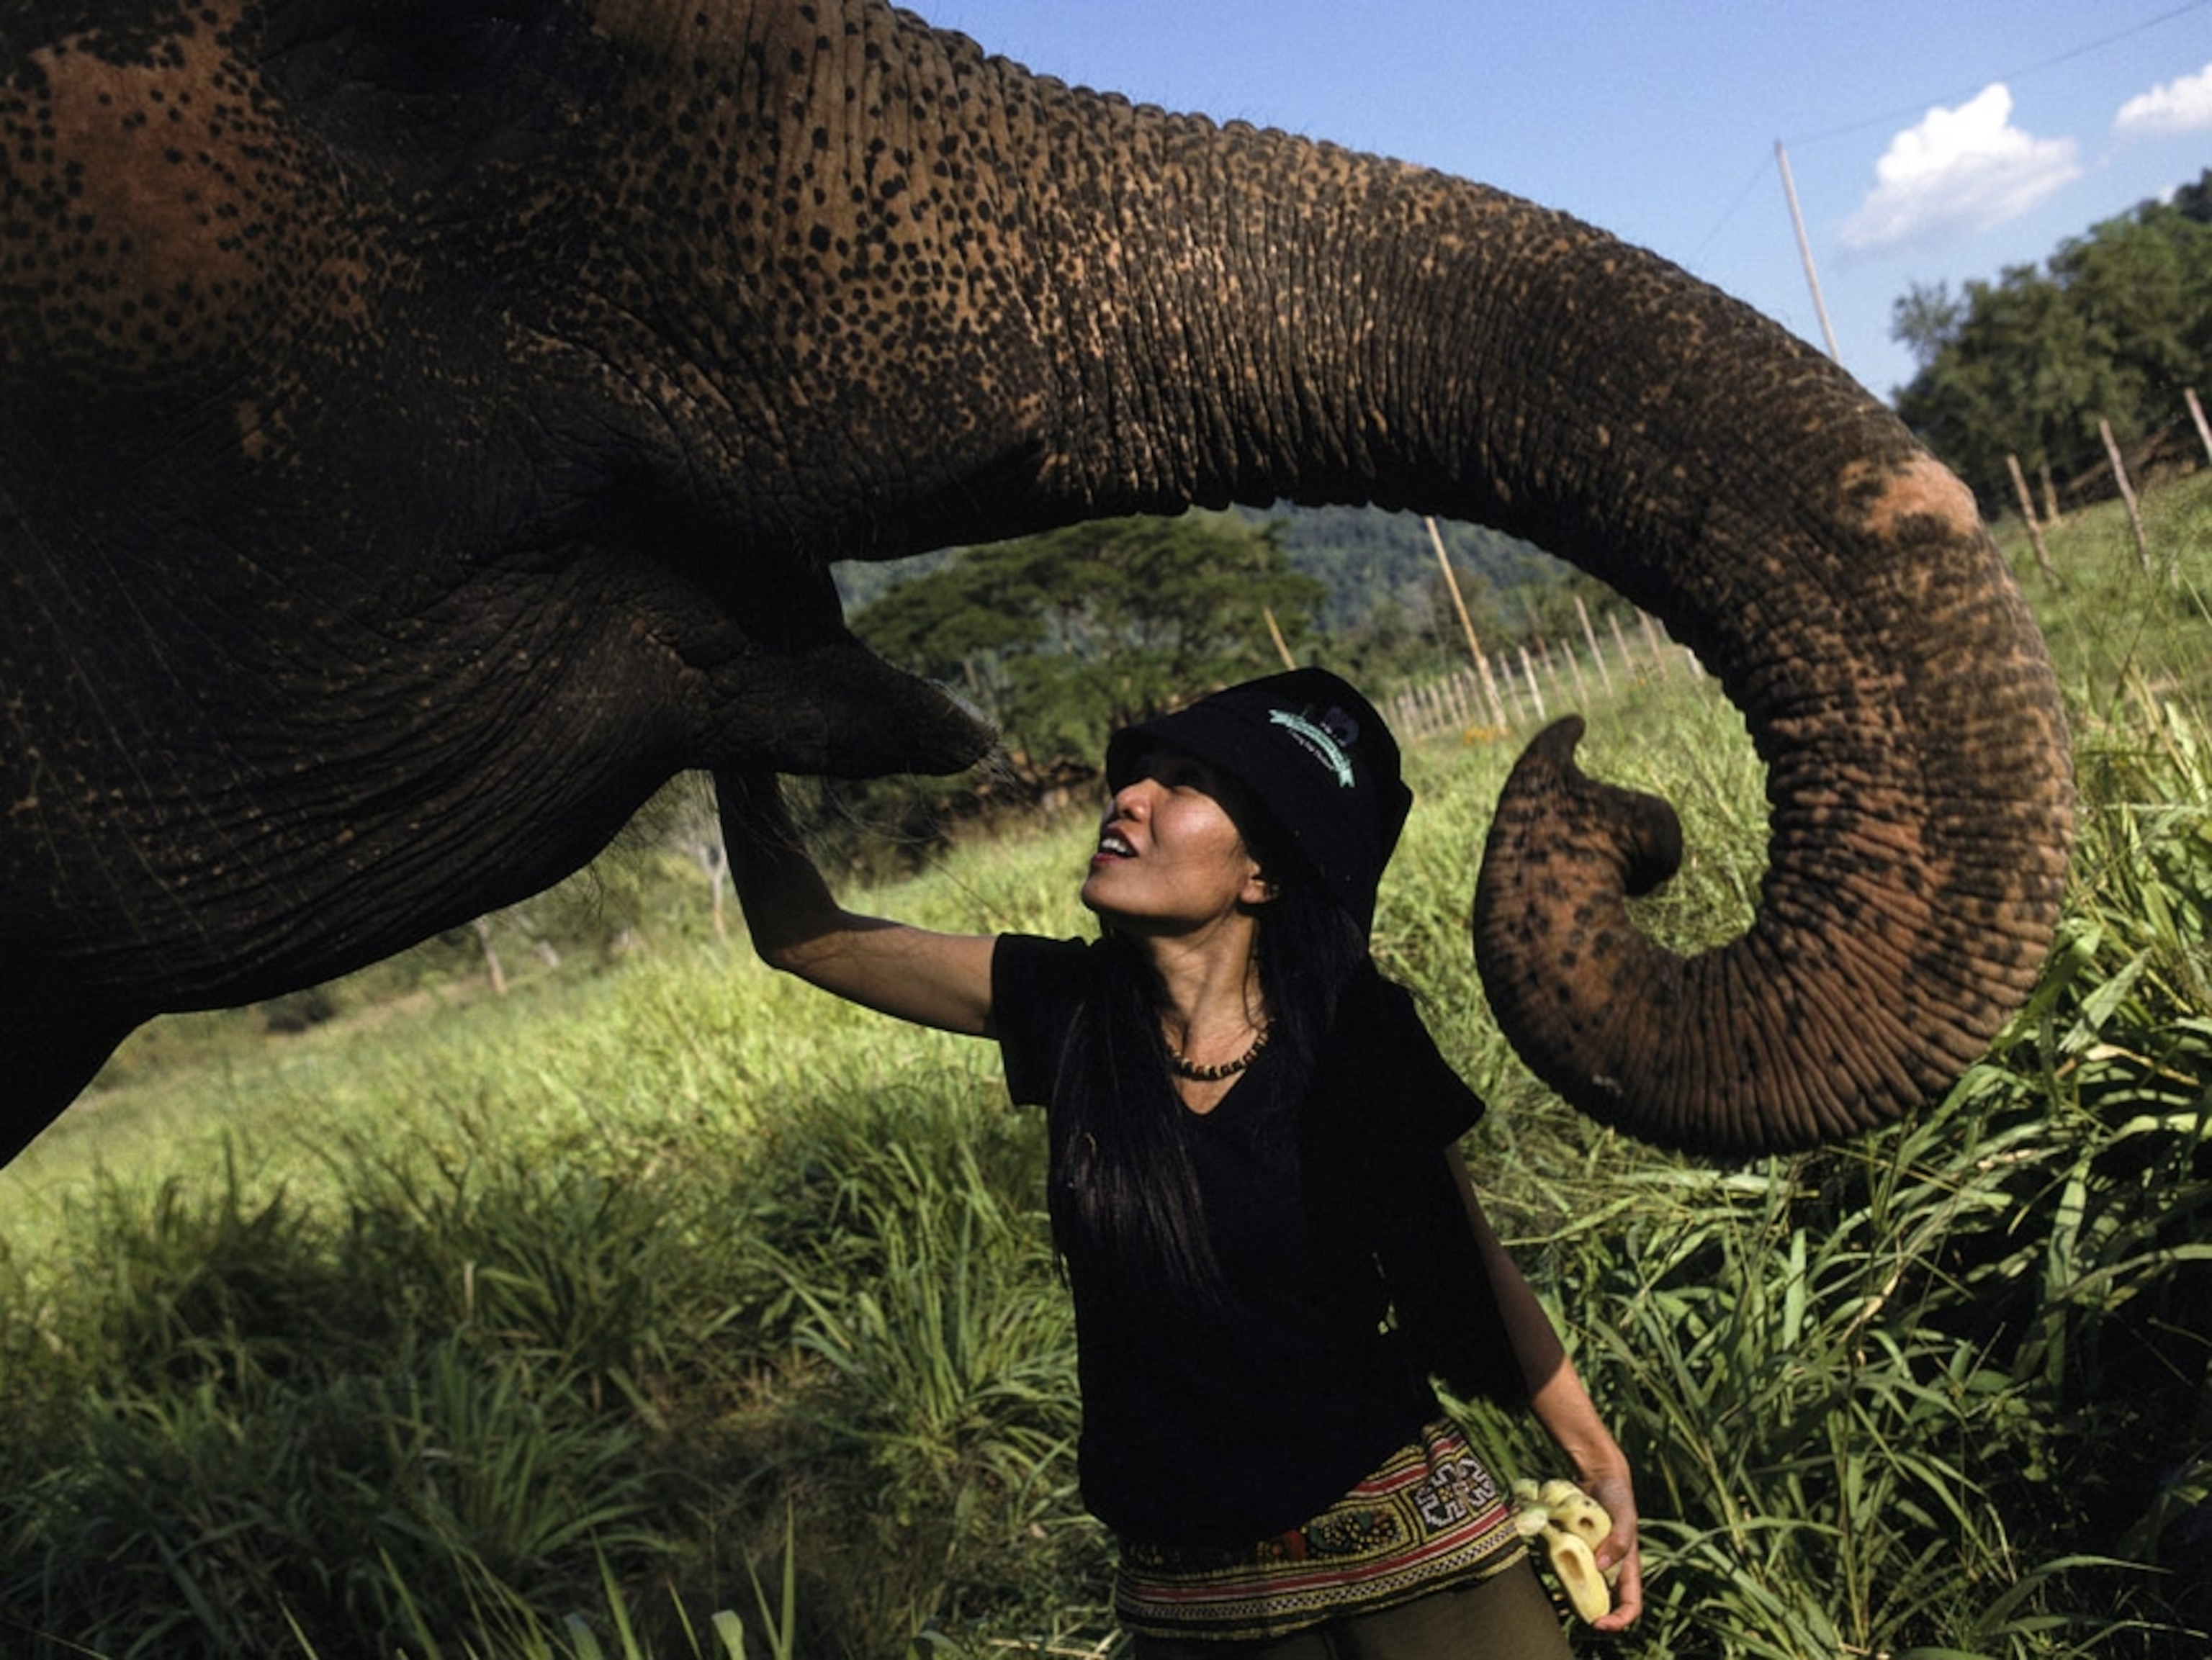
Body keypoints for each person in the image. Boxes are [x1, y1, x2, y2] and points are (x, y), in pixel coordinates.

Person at [716, 667, 1642, 1654]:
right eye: (1138, 770)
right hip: (1185, 1604)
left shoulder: (1353, 1035)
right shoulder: (1069, 1010)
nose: (1130, 796)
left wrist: (1595, 1457)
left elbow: (1467, 1258)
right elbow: (804, 935)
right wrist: (728, 723)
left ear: (1263, 874)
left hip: (1418, 1571)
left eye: (1186, 783)